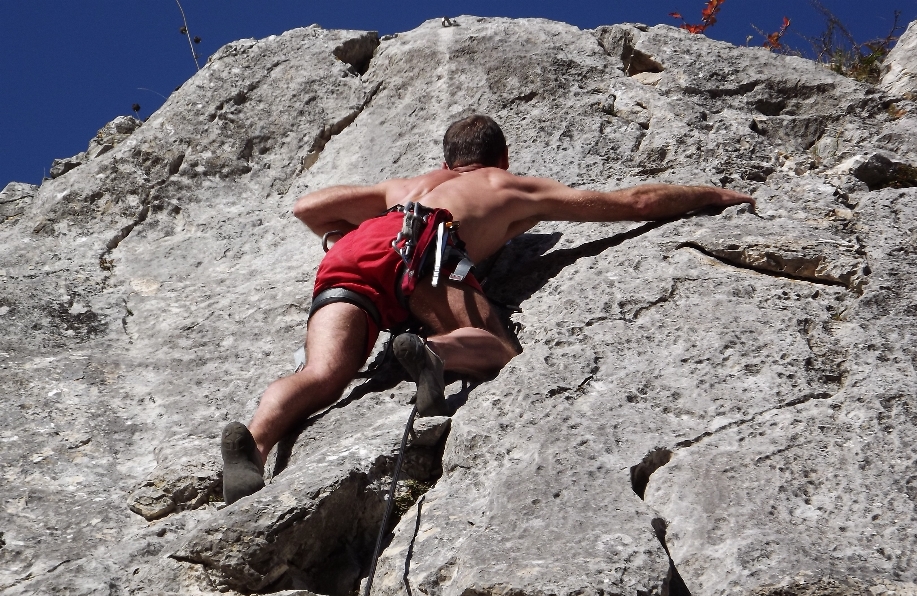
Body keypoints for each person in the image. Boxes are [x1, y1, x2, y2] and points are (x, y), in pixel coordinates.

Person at [220, 115, 755, 504]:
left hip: (360, 251)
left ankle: (257, 444)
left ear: (448, 159)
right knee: (499, 349)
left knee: (321, 372)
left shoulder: (407, 185)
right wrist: (708, 194)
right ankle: (435, 350)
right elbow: (632, 203)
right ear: (501, 157)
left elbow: (307, 208)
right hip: (430, 247)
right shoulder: (506, 185)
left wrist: (339, 234)